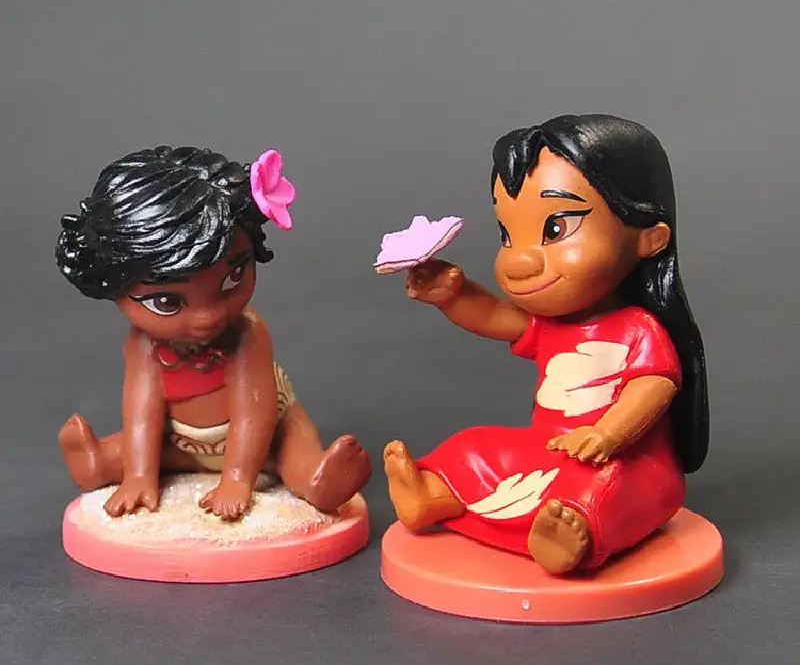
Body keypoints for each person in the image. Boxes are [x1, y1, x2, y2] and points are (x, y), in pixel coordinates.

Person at [384, 114, 708, 574]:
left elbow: (654, 387)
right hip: (548, 449)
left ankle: (569, 538)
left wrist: (608, 435)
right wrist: (454, 296)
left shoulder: (638, 328)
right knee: (474, 446)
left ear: (649, 239)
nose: (518, 261)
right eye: (508, 234)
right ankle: (432, 497)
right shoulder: (553, 325)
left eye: (554, 230)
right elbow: (496, 316)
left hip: (624, 458)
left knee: (609, 488)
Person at [57, 145, 371, 521]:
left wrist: (237, 478)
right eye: (167, 302)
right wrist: (140, 475)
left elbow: (254, 412)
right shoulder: (143, 344)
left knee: (295, 456)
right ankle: (96, 463)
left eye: (234, 277)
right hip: (183, 442)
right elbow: (142, 409)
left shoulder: (247, 333)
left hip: (267, 438)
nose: (207, 317)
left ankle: (321, 482)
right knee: (127, 453)